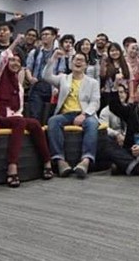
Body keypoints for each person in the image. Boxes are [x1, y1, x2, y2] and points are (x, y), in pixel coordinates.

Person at [0, 34, 53, 187]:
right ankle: (12, 166)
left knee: (35, 124)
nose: (15, 63)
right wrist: (15, 43)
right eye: (12, 60)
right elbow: (2, 59)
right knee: (19, 121)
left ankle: (47, 162)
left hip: (15, 119)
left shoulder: (18, 85)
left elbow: (19, 110)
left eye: (18, 61)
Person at [43, 50, 101, 179]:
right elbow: (46, 76)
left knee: (92, 123)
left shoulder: (93, 82)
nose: (78, 62)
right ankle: (59, 160)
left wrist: (84, 115)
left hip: (84, 113)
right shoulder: (63, 78)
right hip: (66, 114)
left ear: (86, 65)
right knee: (53, 121)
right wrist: (53, 59)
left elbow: (95, 102)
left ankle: (86, 160)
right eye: (76, 59)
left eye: (82, 60)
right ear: (71, 63)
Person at [24, 26, 57, 122]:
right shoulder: (35, 52)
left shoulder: (58, 53)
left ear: (53, 36)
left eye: (47, 34)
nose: (44, 37)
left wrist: (57, 86)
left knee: (50, 117)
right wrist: (30, 78)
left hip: (52, 86)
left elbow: (61, 71)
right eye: (42, 35)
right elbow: (28, 68)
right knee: (35, 115)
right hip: (37, 86)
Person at [100, 42, 131, 109]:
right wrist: (103, 59)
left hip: (123, 93)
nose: (114, 52)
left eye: (116, 50)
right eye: (112, 51)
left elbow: (130, 81)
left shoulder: (126, 64)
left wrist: (131, 96)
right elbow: (102, 75)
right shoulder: (106, 64)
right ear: (108, 52)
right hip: (109, 93)